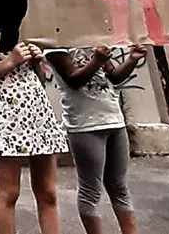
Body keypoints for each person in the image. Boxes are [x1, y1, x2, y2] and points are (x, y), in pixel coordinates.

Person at [0, 42, 66, 234]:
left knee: (48, 192)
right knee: (9, 192)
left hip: (38, 112)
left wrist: (37, 61)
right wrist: (10, 61)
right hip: (4, 117)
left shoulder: (25, 31)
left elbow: (40, 78)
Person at [46, 44, 144, 234]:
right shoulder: (54, 45)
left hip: (114, 120)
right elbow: (74, 80)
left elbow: (114, 76)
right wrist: (96, 60)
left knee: (119, 186)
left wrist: (132, 59)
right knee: (90, 190)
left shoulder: (91, 39)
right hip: (85, 126)